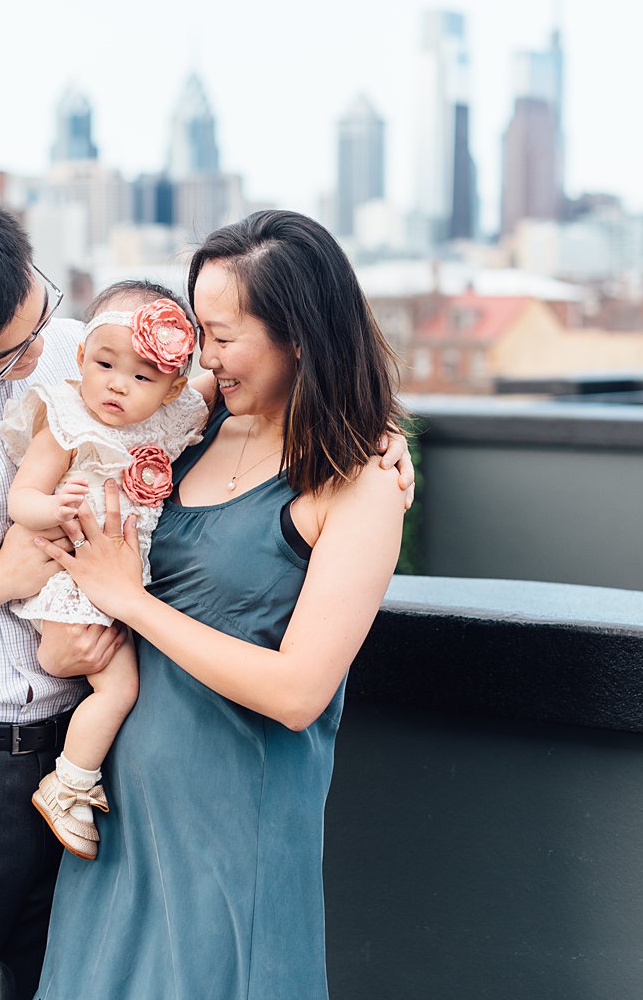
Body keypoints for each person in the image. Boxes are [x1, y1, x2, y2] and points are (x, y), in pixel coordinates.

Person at [0, 188, 413, 1000]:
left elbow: (247, 399)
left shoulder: (94, 351)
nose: (41, 356)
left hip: (91, 771)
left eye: (42, 321)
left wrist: (373, 432)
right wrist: (1, 579)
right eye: (7, 353)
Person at [29, 209, 408, 1000]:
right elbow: (93, 379)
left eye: (224, 335)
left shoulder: (360, 480)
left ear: (299, 333)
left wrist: (130, 602)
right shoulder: (189, 426)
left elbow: (299, 692)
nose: (205, 355)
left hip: (233, 834)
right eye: (198, 330)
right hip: (117, 819)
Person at [0, 282, 206, 860]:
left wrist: (378, 430)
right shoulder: (65, 420)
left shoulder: (165, 423)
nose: (117, 384)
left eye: (142, 377)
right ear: (83, 358)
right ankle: (69, 784)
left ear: (171, 390)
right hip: (74, 581)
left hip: (121, 583)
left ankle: (74, 778)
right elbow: (23, 499)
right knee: (119, 688)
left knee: (130, 683)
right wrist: (53, 509)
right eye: (105, 364)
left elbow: (243, 391)